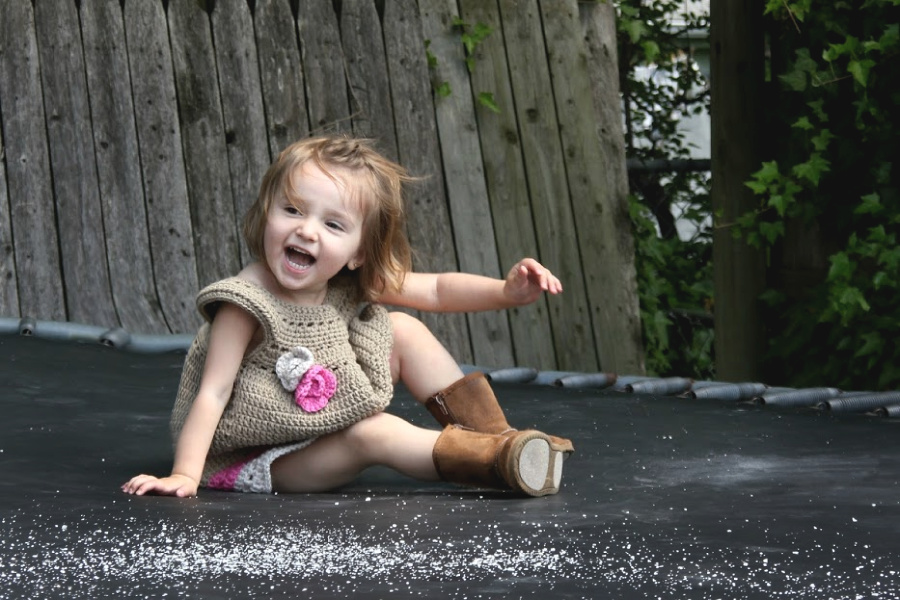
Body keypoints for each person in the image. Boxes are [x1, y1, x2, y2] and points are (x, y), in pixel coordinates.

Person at [122, 135, 572, 500]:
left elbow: (435, 289)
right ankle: (492, 463)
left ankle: (502, 441)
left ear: (358, 252)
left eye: (332, 224)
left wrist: (506, 291)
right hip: (262, 458)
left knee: (403, 329)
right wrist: (185, 474)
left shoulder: (346, 280)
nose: (307, 230)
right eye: (292, 210)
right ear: (267, 214)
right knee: (375, 434)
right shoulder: (245, 302)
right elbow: (213, 393)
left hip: (322, 428)